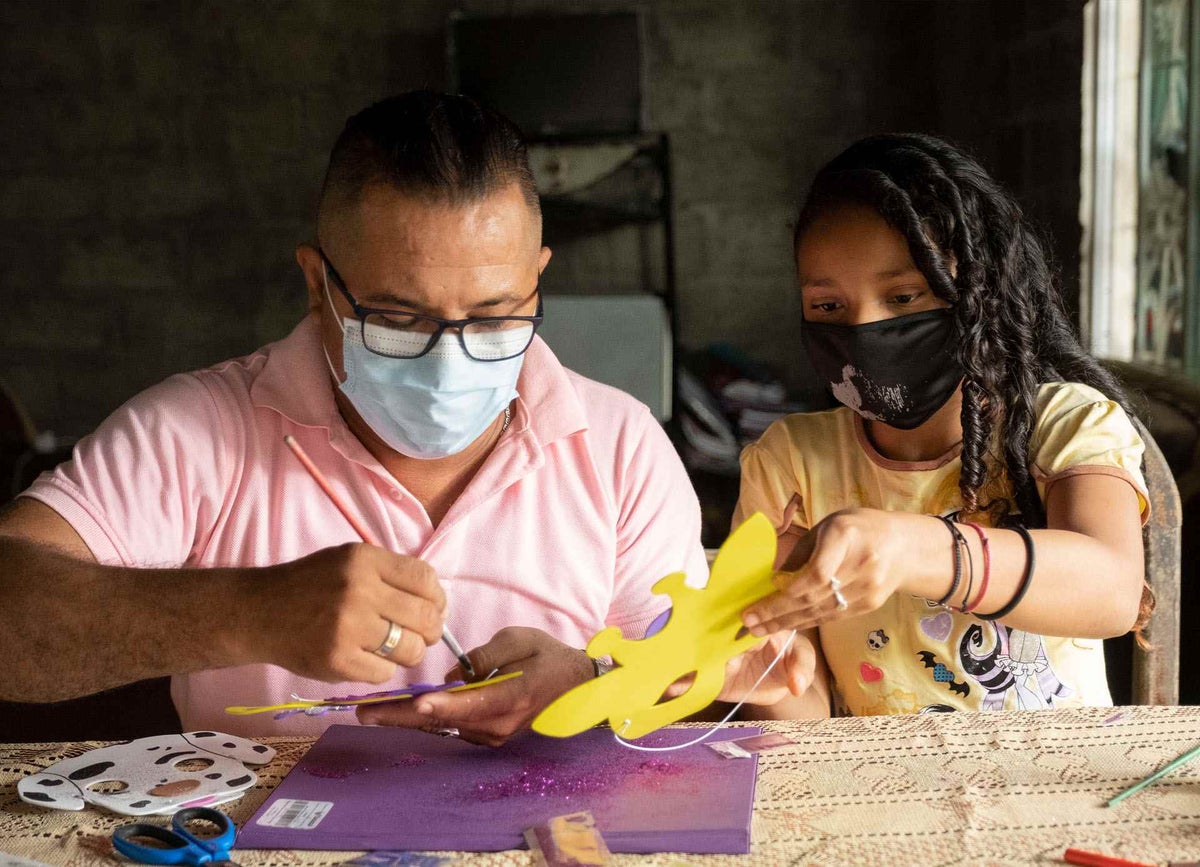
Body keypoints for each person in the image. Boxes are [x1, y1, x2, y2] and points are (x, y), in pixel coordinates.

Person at [0, 91, 811, 744]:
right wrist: (247, 612)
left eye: (495, 316)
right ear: (318, 286)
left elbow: (701, 713)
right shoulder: (199, 432)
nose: (450, 360)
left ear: (538, 281)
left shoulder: (620, 446)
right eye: (398, 318)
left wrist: (592, 686)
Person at [734, 133, 1150, 718]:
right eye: (828, 308)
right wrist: (767, 682)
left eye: (903, 296)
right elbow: (798, 692)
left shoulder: (1068, 423)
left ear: (979, 294)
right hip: (889, 794)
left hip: (1054, 786)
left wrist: (912, 549)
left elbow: (1110, 592)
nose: (864, 329)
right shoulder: (790, 463)